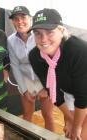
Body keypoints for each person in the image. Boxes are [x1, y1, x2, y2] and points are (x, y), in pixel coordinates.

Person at [29, 8, 87, 140]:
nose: (43, 39)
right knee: (70, 131)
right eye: (38, 33)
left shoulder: (78, 51)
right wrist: (70, 119)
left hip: (83, 92)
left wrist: (76, 127)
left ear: (61, 31)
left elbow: (83, 98)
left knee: (81, 135)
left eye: (50, 32)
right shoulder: (35, 56)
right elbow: (53, 91)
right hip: (71, 93)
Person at [7, 6, 54, 131]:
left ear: (31, 18)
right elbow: (15, 66)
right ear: (12, 22)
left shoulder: (41, 35)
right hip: (27, 81)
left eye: (23, 17)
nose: (20, 21)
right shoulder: (11, 40)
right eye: (16, 19)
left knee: (48, 115)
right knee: (27, 115)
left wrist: (47, 87)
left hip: (45, 80)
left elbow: (52, 63)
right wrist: (24, 90)